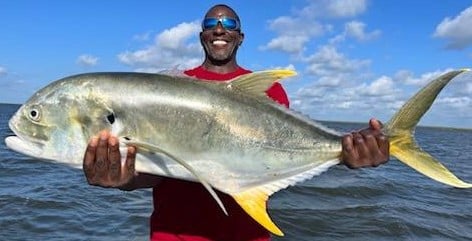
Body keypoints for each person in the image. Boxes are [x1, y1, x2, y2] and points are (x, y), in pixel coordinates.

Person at [83, 4, 389, 241]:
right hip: (172, 234)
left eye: (228, 24)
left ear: (240, 37)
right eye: (210, 24)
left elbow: (276, 159)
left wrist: (346, 153)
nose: (219, 29)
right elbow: (158, 171)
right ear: (202, 35)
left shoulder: (269, 91)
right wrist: (124, 179)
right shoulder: (170, 88)